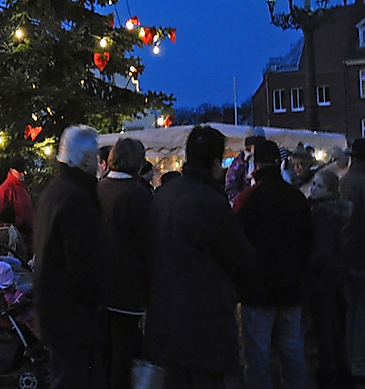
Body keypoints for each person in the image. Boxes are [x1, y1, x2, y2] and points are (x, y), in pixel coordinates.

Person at [147, 125, 256, 389]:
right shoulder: (211, 203)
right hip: (204, 324)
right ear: (215, 162)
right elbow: (241, 258)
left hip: (163, 319)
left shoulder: (163, 196)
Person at [235, 138, 312, 389]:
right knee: (293, 351)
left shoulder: (247, 200)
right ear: (279, 163)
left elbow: (236, 243)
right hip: (291, 286)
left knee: (258, 356)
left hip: (257, 290)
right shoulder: (296, 198)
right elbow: (308, 241)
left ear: (255, 165)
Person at [34, 125, 106, 389]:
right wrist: (95, 298)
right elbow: (82, 262)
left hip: (57, 309)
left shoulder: (55, 192)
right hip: (73, 313)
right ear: (85, 159)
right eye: (95, 156)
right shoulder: (77, 198)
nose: (99, 163)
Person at [97, 138, 152, 389]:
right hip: (128, 289)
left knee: (104, 354)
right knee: (124, 356)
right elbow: (148, 244)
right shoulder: (139, 194)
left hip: (99, 287)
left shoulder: (98, 190)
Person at [308, 169, 352, 387]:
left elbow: (321, 252)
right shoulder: (337, 213)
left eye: (319, 186)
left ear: (330, 191)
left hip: (322, 278)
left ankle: (328, 372)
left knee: (325, 327)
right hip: (336, 275)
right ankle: (341, 370)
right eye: (314, 184)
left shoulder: (321, 215)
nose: (314, 189)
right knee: (336, 327)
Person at [341, 138, 365, 380]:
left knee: (351, 311)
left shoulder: (344, 181)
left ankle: (348, 361)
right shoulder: (363, 183)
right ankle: (359, 364)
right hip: (361, 255)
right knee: (361, 313)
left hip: (345, 255)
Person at [0, 156, 34, 242]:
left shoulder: (22, 188)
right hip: (14, 237)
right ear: (11, 170)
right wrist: (21, 224)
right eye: (19, 172)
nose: (22, 174)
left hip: (27, 236)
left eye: (23, 171)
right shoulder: (5, 189)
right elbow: (3, 214)